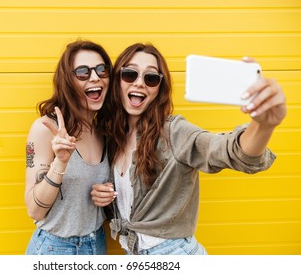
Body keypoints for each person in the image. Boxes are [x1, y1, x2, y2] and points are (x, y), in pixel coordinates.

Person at [91, 43, 287, 255]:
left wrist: (264, 125)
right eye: (130, 74)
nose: (139, 83)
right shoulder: (111, 136)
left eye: (151, 78)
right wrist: (102, 196)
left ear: (159, 88)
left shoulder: (174, 132)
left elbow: (228, 151)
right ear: (117, 80)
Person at [24, 40, 113, 255]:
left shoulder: (106, 129)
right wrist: (61, 161)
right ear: (68, 81)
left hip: (97, 243)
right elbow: (34, 210)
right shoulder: (45, 129)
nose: (95, 77)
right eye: (83, 72)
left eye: (102, 70)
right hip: (56, 248)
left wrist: (107, 193)